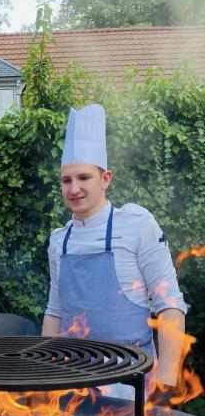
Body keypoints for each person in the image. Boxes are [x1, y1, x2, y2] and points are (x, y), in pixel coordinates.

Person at [41, 104, 187, 395]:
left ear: (105, 179)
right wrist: (44, 379)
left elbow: (170, 305)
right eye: (67, 180)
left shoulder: (137, 225)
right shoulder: (60, 241)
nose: (74, 189)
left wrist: (167, 380)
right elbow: (55, 313)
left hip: (130, 382)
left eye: (84, 178)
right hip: (72, 383)